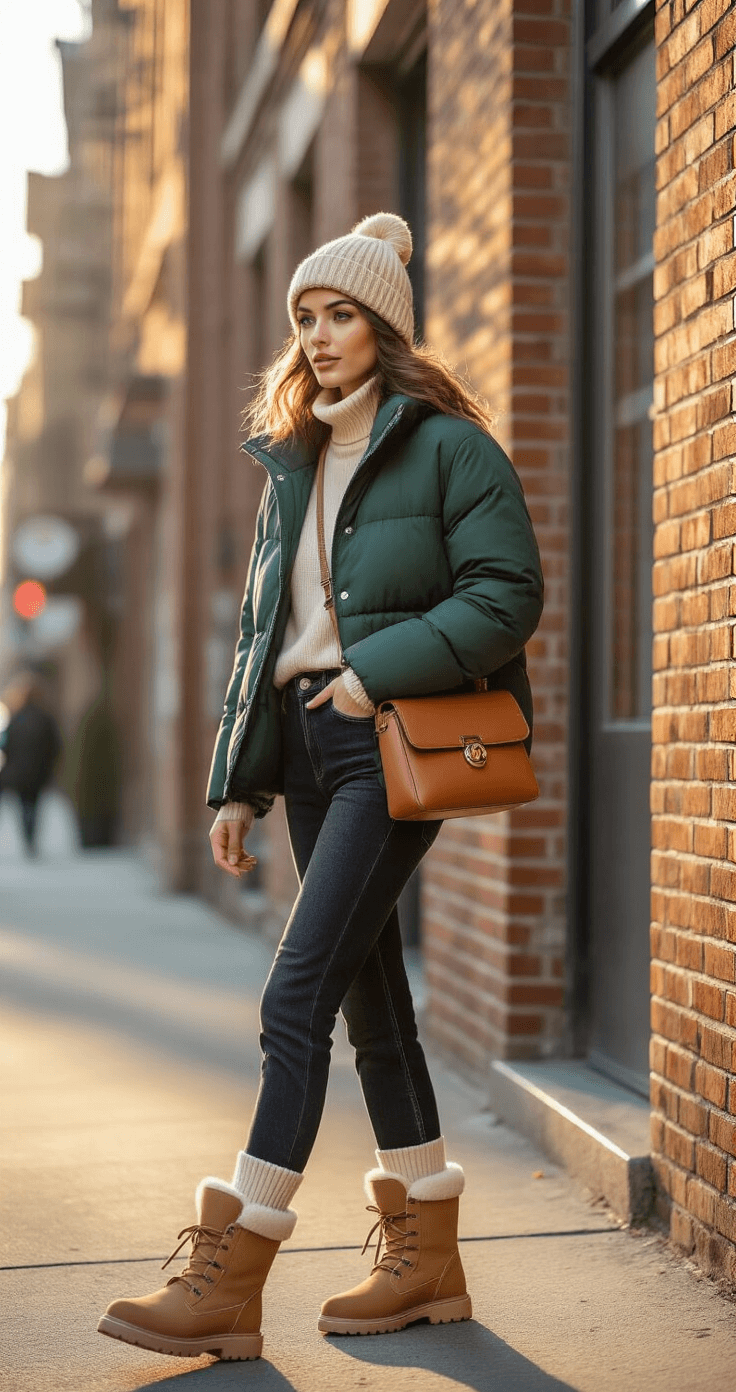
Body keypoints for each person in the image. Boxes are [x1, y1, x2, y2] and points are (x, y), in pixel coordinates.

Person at [98, 213, 544, 1362]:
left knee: (292, 998)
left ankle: (229, 1278)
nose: (318, 334)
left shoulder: (449, 449)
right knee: (370, 1005)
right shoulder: (288, 467)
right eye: (304, 316)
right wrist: (237, 786)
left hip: (384, 742)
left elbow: (505, 597)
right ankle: (427, 1259)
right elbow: (262, 639)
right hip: (302, 749)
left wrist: (369, 673)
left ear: (383, 325)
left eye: (340, 313)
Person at [0, 671, 61, 856]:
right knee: (32, 805)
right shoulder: (45, 718)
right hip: (38, 772)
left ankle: (28, 837)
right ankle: (30, 840)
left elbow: (6, 745)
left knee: (23, 805)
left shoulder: (17, 718)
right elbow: (55, 746)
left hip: (18, 771)